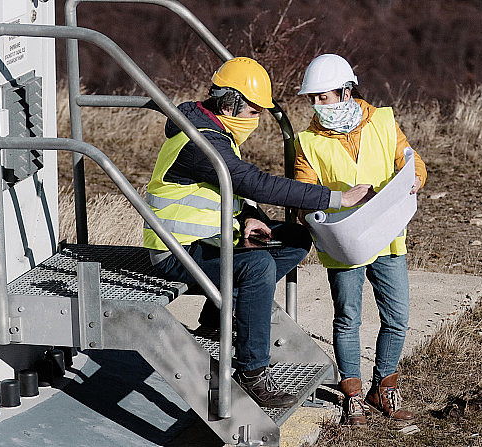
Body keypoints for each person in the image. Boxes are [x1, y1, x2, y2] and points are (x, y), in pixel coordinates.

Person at [143, 57, 374, 408]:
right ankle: (252, 373)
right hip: (177, 252)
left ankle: (221, 313)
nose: (256, 120)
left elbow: (231, 189)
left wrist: (249, 215)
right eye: (253, 111)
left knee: (296, 237)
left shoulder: (213, 130)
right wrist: (336, 197)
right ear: (229, 103)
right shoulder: (199, 142)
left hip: (210, 241)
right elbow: (252, 181)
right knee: (259, 267)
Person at [293, 54, 427, 424]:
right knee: (348, 318)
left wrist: (416, 178)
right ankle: (352, 394)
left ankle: (384, 388)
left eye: (325, 97)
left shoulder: (383, 121)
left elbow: (411, 161)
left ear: (347, 91)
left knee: (398, 317)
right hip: (344, 243)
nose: (319, 106)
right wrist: (323, 210)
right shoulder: (308, 142)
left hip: (387, 236)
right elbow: (304, 193)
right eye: (313, 99)